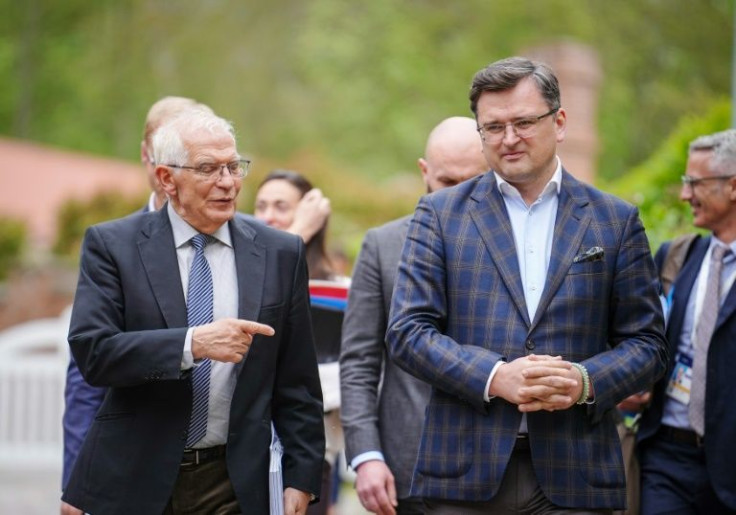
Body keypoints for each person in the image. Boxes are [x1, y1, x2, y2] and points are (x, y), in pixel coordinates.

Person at [385, 56, 668, 513]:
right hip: (463, 472)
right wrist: (495, 377)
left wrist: (584, 381)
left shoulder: (614, 221)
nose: (509, 139)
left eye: (523, 122)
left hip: (577, 473)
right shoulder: (439, 215)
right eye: (493, 127)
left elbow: (649, 344)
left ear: (558, 123)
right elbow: (407, 332)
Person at [61, 109, 325, 515]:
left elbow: (299, 381)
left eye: (233, 167)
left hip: (234, 480)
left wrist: (301, 478)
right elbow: (94, 353)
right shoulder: (113, 245)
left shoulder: (279, 253)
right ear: (167, 179)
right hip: (135, 477)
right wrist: (191, 344)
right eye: (208, 169)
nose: (227, 183)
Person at [61, 96, 213, 510]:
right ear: (150, 158)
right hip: (134, 469)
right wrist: (78, 479)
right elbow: (86, 379)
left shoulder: (235, 243)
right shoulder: (111, 245)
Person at [339, 116, 488, 515]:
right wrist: (366, 454)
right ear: (424, 171)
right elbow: (358, 362)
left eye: (471, 182)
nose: (457, 196)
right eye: (445, 182)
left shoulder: (517, 244)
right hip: (409, 467)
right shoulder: (382, 246)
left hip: (499, 467)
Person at [637, 129, 736, 514]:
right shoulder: (676, 257)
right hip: (668, 458)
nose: (684, 194)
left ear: (732, 187)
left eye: (694, 183)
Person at [254, 169, 344, 515]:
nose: (268, 216)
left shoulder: (338, 290)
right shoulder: (235, 273)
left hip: (308, 453)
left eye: (280, 206)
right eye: (261, 206)